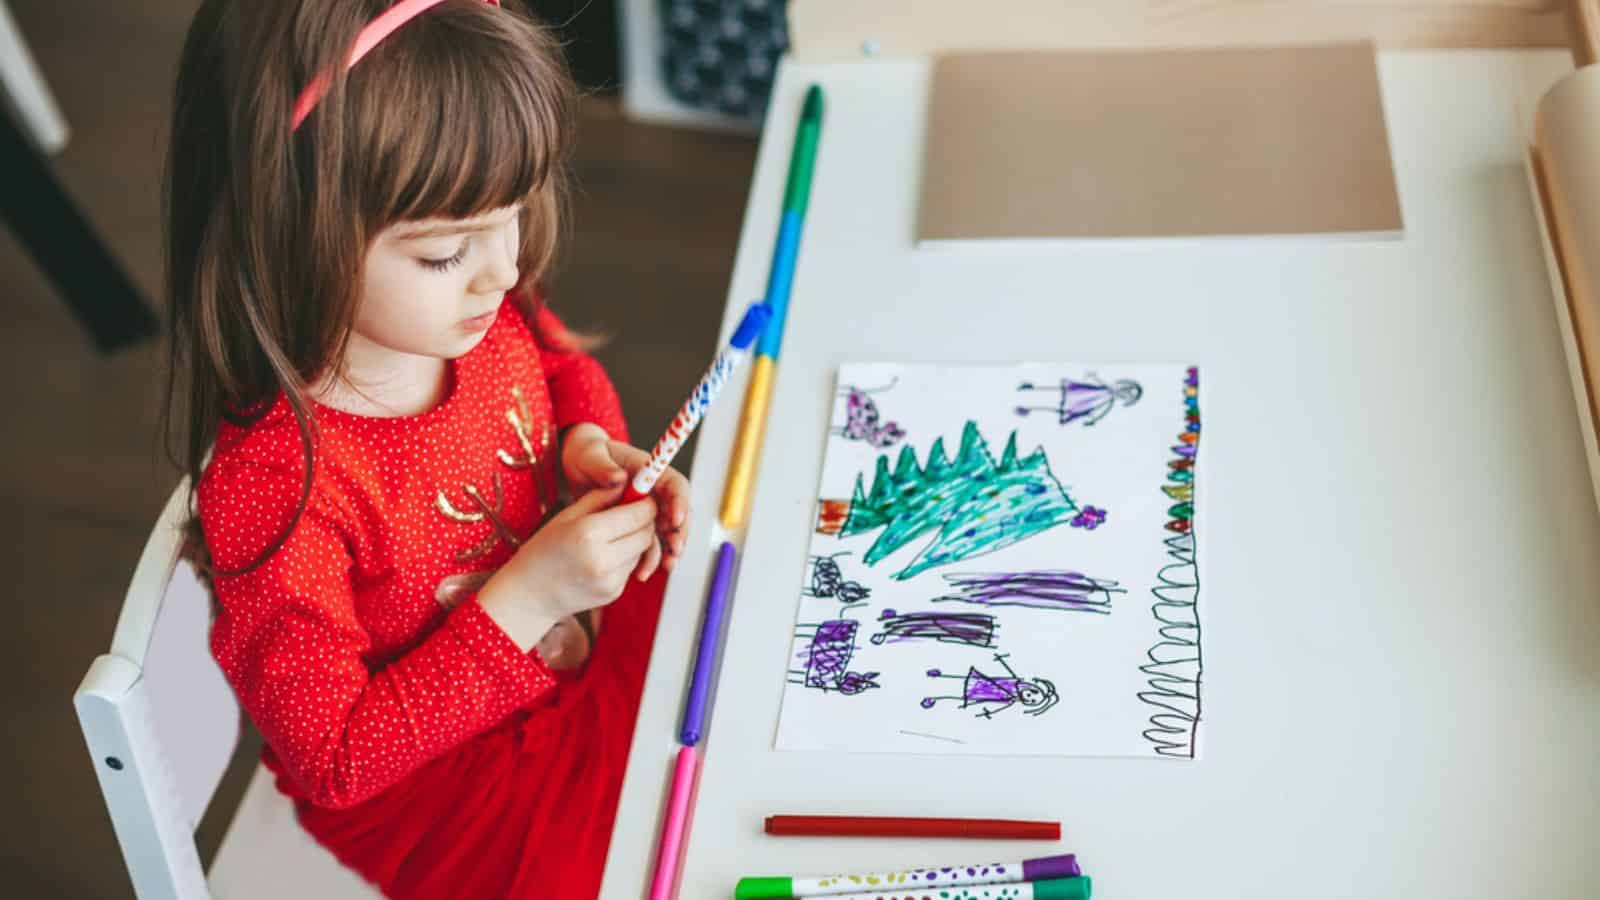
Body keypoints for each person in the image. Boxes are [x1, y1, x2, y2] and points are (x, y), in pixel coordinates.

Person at [161, 1, 688, 896]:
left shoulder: (464, 314)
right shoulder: (281, 485)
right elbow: (335, 758)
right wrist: (528, 599)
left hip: (565, 643)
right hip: (440, 779)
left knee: (749, 643)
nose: (505, 272)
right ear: (292, 235)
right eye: (446, 251)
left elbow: (557, 371)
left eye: (513, 215)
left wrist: (585, 444)